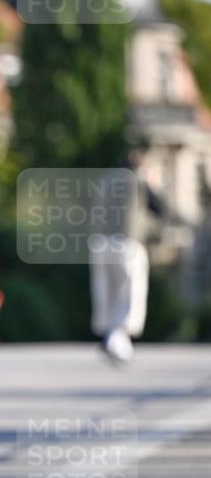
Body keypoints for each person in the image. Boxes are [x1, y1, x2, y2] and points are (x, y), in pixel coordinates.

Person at [89, 147, 166, 364]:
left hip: (100, 243)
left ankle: (111, 338)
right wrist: (154, 184)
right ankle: (117, 338)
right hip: (127, 243)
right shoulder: (138, 180)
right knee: (130, 294)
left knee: (107, 294)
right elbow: (160, 208)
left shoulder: (106, 179)